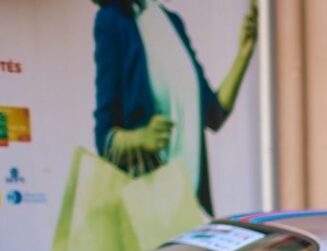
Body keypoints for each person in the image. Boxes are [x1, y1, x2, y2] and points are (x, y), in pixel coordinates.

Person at [91, 0, 258, 215]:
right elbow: (103, 138)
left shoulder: (173, 23)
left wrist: (244, 54)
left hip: (194, 210)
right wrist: (141, 137)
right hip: (150, 213)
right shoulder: (112, 20)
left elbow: (214, 114)